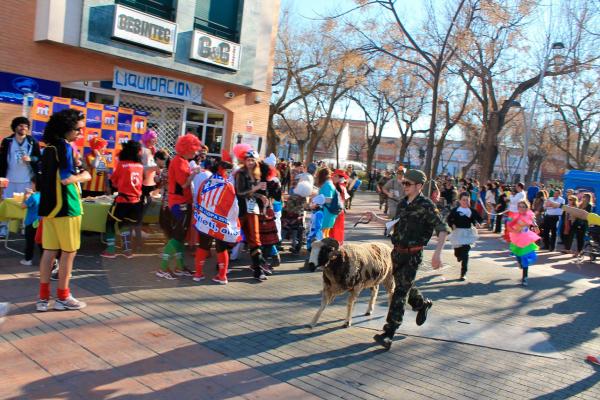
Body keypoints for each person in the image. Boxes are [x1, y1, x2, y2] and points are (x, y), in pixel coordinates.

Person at [365, 169, 450, 350]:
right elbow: (393, 224)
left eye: (407, 184)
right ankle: (421, 304)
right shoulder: (403, 204)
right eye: (404, 183)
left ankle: (389, 333)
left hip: (413, 254)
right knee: (404, 285)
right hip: (397, 253)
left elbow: (442, 229)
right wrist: (375, 218)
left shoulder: (426, 205)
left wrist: (438, 253)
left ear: (419, 186)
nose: (404, 186)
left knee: (399, 293)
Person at [37, 109, 91, 311]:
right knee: (69, 253)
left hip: (49, 209)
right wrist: (84, 175)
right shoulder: (65, 147)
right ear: (67, 129)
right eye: (78, 130)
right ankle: (63, 296)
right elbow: (67, 178)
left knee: (49, 252)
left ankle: (43, 298)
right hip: (67, 208)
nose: (80, 133)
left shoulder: (49, 148)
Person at [157, 134, 202, 280]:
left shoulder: (180, 161)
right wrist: (194, 173)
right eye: (194, 150)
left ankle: (180, 267)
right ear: (187, 148)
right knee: (177, 237)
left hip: (180, 203)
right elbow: (184, 184)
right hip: (180, 204)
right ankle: (163, 268)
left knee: (180, 237)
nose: (196, 153)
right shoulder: (180, 162)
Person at [192, 151, 240, 284]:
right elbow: (234, 207)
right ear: (225, 171)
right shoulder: (228, 186)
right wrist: (232, 222)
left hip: (205, 220)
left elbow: (199, 198)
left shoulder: (206, 182)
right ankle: (222, 276)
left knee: (203, 246)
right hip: (220, 222)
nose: (231, 174)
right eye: (229, 171)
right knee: (221, 248)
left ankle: (198, 273)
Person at [101, 140, 144, 258]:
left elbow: (114, 182)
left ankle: (110, 250)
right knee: (125, 224)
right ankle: (127, 250)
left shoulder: (122, 164)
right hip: (136, 202)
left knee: (110, 222)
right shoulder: (140, 166)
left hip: (123, 201)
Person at [233, 143, 270, 281]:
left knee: (255, 239)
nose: (250, 162)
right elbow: (240, 192)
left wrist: (261, 196)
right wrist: (256, 189)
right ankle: (222, 261)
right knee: (232, 235)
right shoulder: (240, 174)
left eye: (253, 160)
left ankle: (258, 269)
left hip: (252, 210)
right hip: (240, 209)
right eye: (248, 160)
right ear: (244, 160)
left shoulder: (256, 174)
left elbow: (252, 194)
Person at [0, 117, 41, 238]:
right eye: (20, 125)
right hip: (9, 179)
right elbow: (1, 159)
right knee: (6, 205)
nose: (23, 128)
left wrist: (31, 159)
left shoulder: (33, 141)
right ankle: (3, 229)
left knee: (27, 205)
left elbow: (39, 158)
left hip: (27, 180)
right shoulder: (7, 141)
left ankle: (25, 229)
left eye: (26, 126)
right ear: (15, 127)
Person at [447, 192, 483, 281]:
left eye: (467, 200)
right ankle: (458, 256)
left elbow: (478, 219)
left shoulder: (471, 211)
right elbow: (449, 219)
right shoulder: (455, 210)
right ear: (460, 200)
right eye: (463, 200)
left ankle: (463, 273)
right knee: (458, 253)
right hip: (457, 233)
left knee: (465, 253)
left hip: (468, 233)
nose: (465, 202)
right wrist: (452, 225)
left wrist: (478, 223)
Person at [507, 200, 540, 286]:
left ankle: (524, 277)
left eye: (523, 207)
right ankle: (520, 262)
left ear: (527, 208)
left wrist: (535, 226)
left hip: (526, 238)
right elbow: (509, 225)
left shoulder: (530, 215)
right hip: (516, 237)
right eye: (520, 206)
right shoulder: (515, 216)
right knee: (518, 255)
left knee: (525, 257)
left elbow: (535, 226)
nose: (521, 208)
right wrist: (513, 226)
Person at [20, 176, 41, 266]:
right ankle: (47, 261)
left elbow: (23, 206)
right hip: (40, 222)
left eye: (32, 184)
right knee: (41, 243)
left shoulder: (33, 197)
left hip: (31, 223)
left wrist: (26, 196)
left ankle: (28, 259)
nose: (31, 185)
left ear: (36, 184)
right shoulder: (45, 195)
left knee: (30, 242)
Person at [568, 193, 593, 258]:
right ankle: (574, 250)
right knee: (571, 233)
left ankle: (578, 252)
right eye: (583, 196)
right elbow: (577, 212)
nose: (583, 197)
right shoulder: (580, 204)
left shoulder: (589, 205)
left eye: (584, 196)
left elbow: (586, 214)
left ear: (587, 198)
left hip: (583, 223)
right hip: (577, 221)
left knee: (580, 238)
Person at [316, 168, 339, 238]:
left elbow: (329, 199)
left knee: (322, 233)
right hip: (329, 212)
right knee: (325, 233)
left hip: (326, 212)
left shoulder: (327, 185)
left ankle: (322, 247)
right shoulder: (329, 184)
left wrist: (316, 199)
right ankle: (324, 247)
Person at [330, 169, 349, 245]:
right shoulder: (343, 187)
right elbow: (345, 199)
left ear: (338, 177)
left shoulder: (333, 187)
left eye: (334, 176)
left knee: (332, 230)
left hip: (333, 212)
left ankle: (332, 246)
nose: (332, 177)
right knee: (338, 230)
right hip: (340, 212)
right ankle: (338, 245)